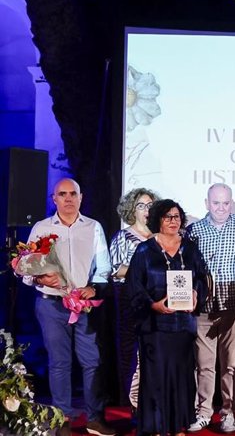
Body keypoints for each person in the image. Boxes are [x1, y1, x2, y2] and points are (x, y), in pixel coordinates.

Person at [22, 178, 115, 436]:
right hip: (51, 304)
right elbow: (26, 269)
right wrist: (39, 277)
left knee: (92, 362)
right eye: (62, 194)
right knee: (59, 363)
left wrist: (94, 288)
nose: (68, 198)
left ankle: (94, 419)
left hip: (84, 306)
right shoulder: (41, 228)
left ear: (81, 197)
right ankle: (61, 420)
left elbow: (104, 267)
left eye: (73, 194)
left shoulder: (93, 227)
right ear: (54, 199)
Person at [127, 199, 207, 435]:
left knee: (182, 377)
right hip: (155, 327)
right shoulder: (144, 250)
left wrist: (195, 294)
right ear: (157, 220)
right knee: (157, 379)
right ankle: (159, 427)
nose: (173, 221)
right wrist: (153, 305)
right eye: (167, 217)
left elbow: (202, 278)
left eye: (176, 216)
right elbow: (134, 287)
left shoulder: (190, 248)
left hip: (182, 326)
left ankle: (179, 425)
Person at [186, 183, 235, 433]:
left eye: (226, 203)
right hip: (204, 306)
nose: (221, 208)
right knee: (204, 364)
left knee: (231, 365)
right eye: (216, 203)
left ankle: (229, 412)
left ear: (232, 203)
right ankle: (204, 412)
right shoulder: (193, 231)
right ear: (206, 203)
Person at [109, 187, 158, 410]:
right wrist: (144, 270)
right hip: (130, 300)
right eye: (141, 206)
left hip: (157, 301)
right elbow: (115, 270)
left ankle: (155, 404)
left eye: (150, 205)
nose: (146, 210)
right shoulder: (123, 236)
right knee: (133, 352)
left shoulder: (160, 237)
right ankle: (134, 405)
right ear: (132, 210)